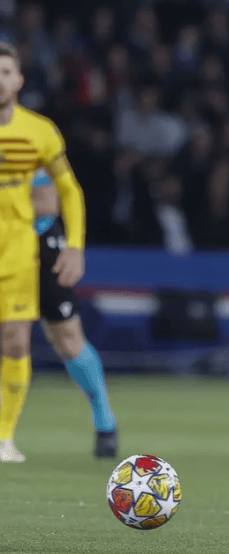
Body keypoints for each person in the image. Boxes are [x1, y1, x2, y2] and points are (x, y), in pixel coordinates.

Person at [0, 43, 87, 463]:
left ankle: (4, 438)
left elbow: (69, 190)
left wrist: (75, 246)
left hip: (17, 248)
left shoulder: (39, 131)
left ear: (19, 80)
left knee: (16, 342)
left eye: (5, 72)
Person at [31, 169, 118, 457]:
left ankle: (105, 421)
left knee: (67, 338)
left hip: (40, 241)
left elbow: (48, 203)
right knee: (11, 338)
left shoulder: (31, 145)